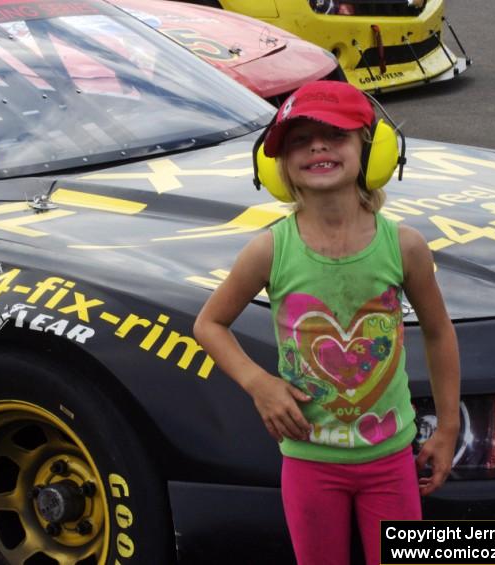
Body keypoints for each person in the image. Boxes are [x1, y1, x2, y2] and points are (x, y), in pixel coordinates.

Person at [193, 80, 460, 565]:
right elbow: (209, 323)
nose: (317, 145)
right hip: (309, 462)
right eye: (299, 139)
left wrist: (447, 427)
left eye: (335, 134)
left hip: (390, 461)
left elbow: (440, 333)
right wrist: (259, 383)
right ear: (279, 166)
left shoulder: (404, 246)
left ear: (370, 149)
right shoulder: (270, 249)